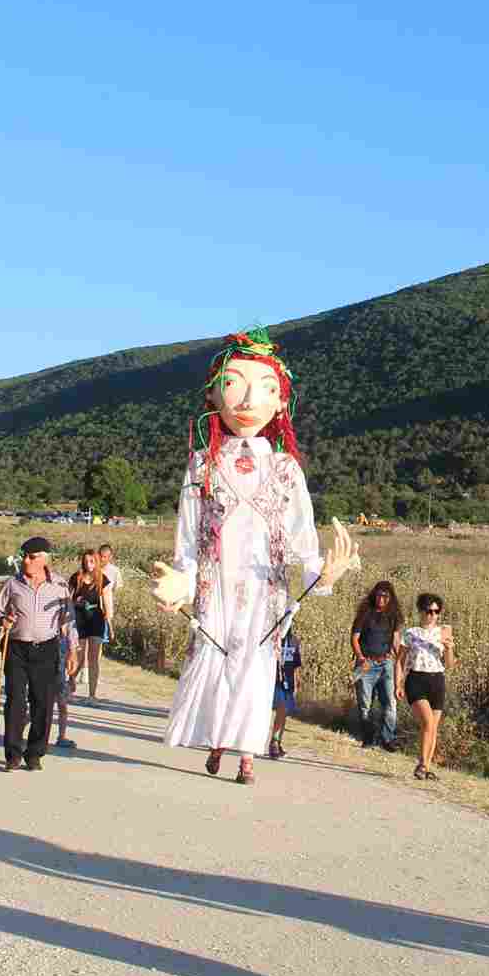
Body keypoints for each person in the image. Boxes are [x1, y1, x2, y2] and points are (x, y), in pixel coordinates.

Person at [149, 328, 357, 786]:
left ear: (280, 401)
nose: (247, 400)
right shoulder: (202, 464)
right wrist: (181, 579)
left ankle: (245, 752)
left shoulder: (284, 468)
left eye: (263, 388)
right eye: (233, 384)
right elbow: (189, 535)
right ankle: (219, 741)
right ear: (213, 395)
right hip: (216, 588)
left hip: (266, 592)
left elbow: (302, 538)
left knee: (256, 671)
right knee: (217, 661)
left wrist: (322, 573)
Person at [0, 537, 74, 770]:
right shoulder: (12, 584)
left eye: (31, 556)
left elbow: (68, 620)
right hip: (16, 647)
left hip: (46, 648)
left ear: (44, 559)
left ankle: (35, 753)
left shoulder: (60, 586)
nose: (26, 560)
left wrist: (73, 650)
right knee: (15, 701)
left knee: (43, 702)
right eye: (24, 556)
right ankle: (13, 755)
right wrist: (2, 619)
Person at [399, 593, 453, 781]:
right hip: (416, 679)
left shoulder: (443, 632)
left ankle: (426, 767)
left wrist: (449, 648)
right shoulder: (411, 633)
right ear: (421, 611)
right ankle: (421, 764)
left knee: (432, 727)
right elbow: (400, 660)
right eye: (429, 611)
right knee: (428, 722)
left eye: (436, 611)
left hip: (437, 679)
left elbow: (449, 664)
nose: (433, 615)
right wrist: (398, 683)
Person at [349, 580, 402, 750]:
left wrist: (401, 659)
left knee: (390, 702)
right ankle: (368, 738)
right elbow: (355, 638)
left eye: (385, 596)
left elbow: (396, 640)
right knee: (365, 704)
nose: (381, 599)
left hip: (386, 663)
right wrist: (360, 658)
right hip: (366, 663)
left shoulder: (393, 616)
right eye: (379, 595)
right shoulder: (365, 613)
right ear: (374, 595)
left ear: (390, 598)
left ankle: (388, 739)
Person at [69, 549, 107, 702]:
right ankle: (69, 689)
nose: (88, 564)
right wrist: (75, 602)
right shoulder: (76, 577)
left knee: (93, 659)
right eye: (86, 561)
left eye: (91, 561)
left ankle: (92, 695)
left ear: (96, 562)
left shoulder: (102, 578)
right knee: (78, 658)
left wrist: (110, 622)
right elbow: (67, 600)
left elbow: (107, 601)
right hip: (79, 620)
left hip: (96, 620)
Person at [267, 623, 301, 760]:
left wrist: (296, 682)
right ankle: (273, 741)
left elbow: (296, 664)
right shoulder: (272, 639)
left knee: (283, 711)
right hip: (273, 680)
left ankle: (276, 742)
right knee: (280, 709)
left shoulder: (295, 641)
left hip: (288, 682)